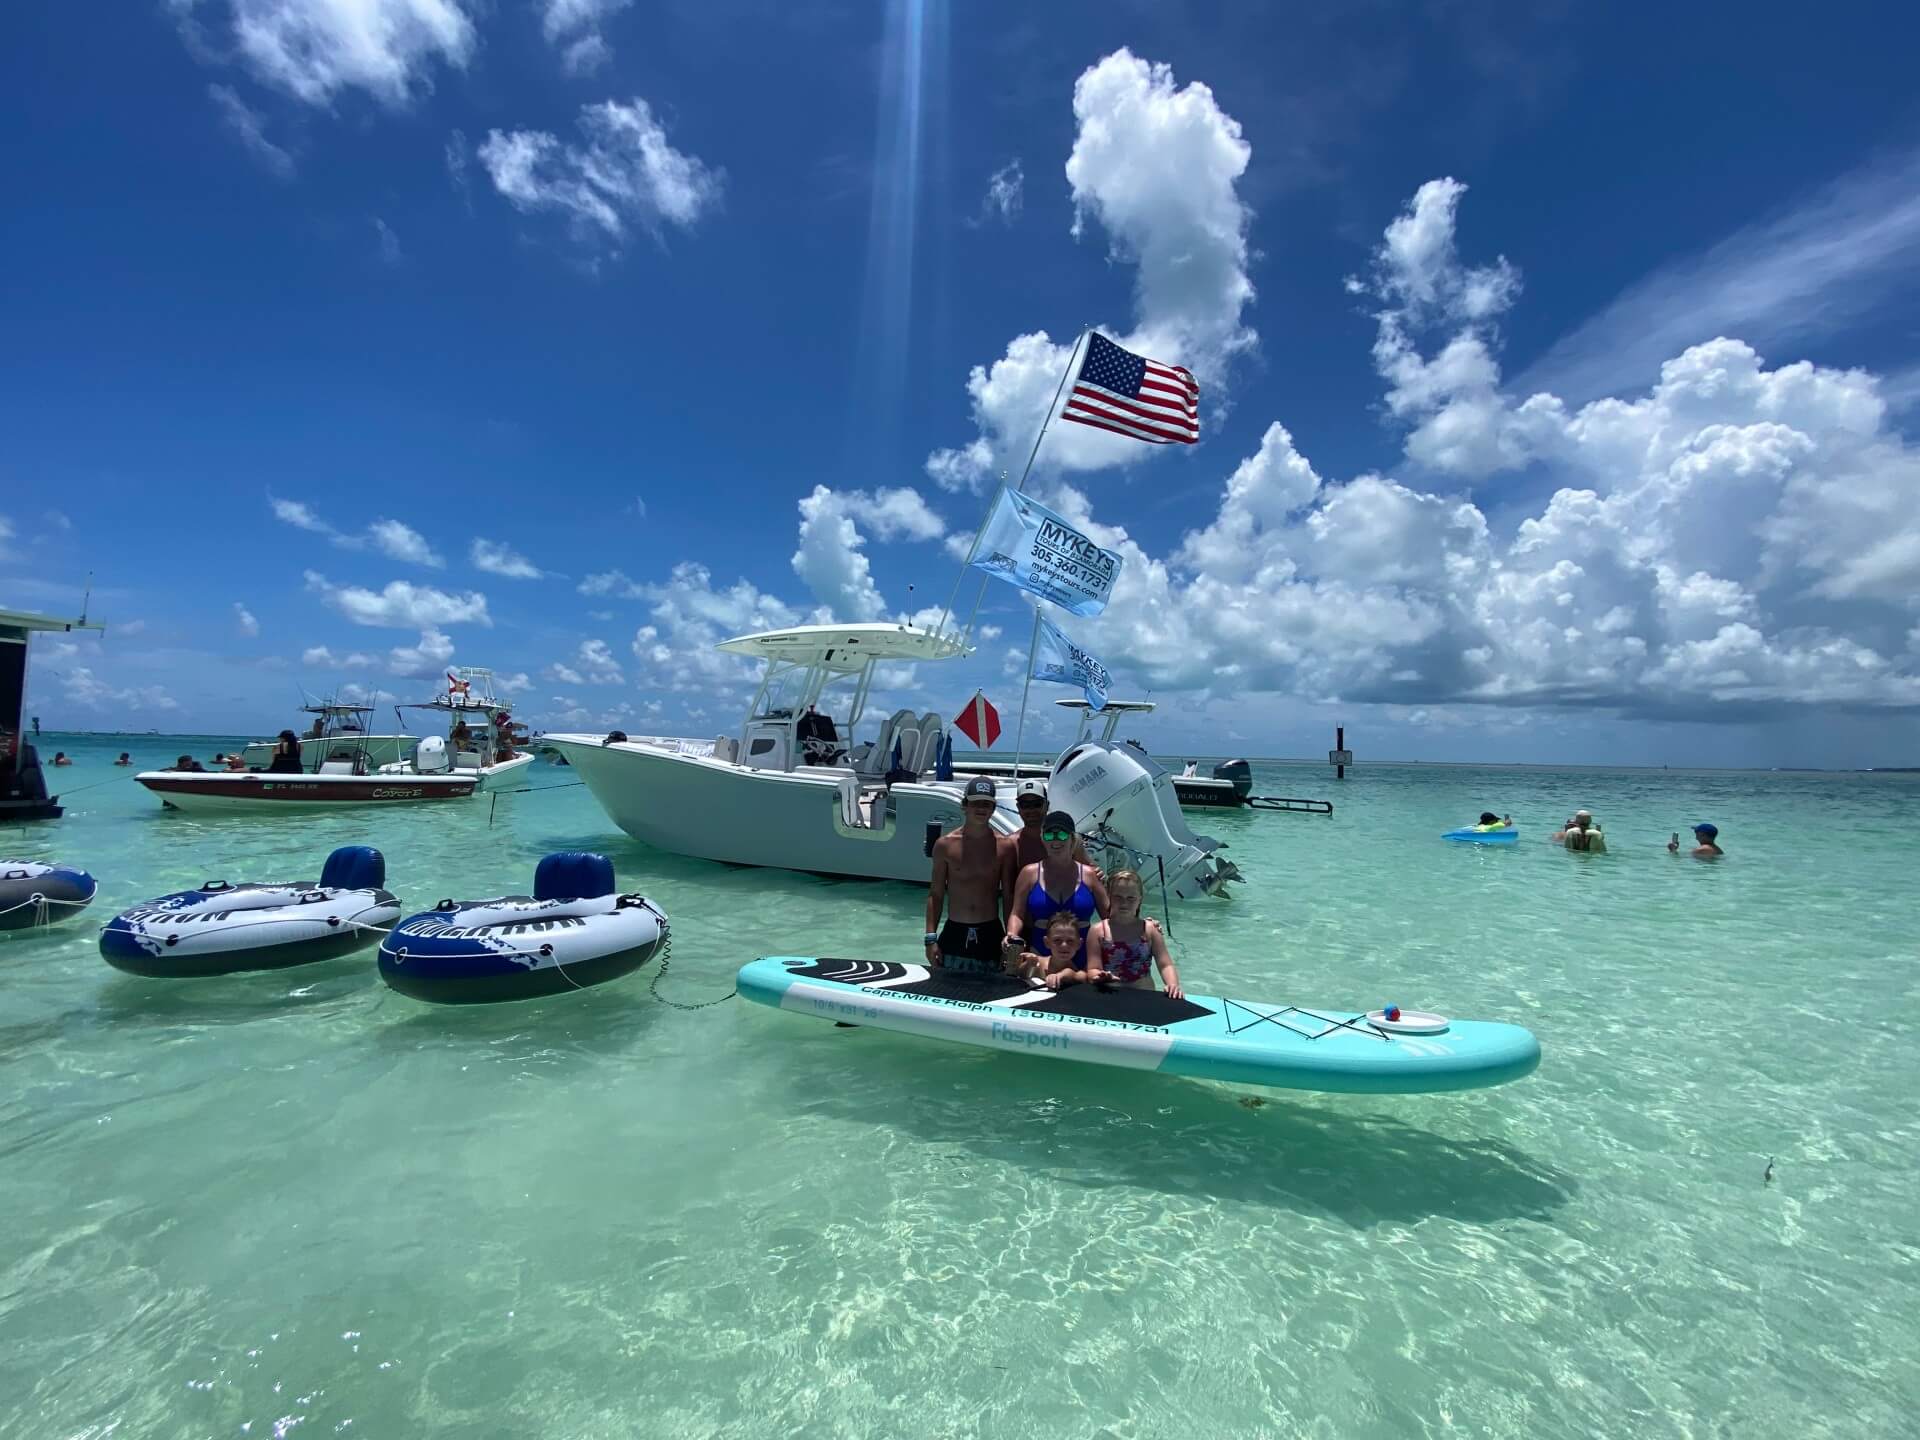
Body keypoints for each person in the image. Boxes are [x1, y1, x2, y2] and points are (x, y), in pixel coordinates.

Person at [1003, 810, 1110, 969]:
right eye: (1049, 835)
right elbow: (1017, 913)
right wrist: (1011, 934)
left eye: (1061, 835)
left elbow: (1109, 917)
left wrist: (1145, 925)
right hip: (1039, 954)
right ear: (1042, 838)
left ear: (1072, 838)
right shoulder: (1029, 873)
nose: (1055, 840)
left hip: (1084, 956)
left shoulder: (1090, 875)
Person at [924, 776, 1008, 974]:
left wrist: (1011, 936)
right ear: (964, 805)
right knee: (948, 994)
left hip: (991, 933)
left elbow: (1009, 896)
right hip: (955, 932)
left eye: (986, 803)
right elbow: (935, 894)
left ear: (994, 808)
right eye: (975, 802)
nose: (981, 808)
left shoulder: (1005, 846)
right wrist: (930, 938)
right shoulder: (945, 845)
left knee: (993, 995)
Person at [1087, 868, 1184, 998]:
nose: (1124, 903)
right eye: (1118, 897)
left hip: (1144, 994)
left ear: (1140, 899)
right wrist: (1099, 976)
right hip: (1110, 995)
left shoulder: (1150, 930)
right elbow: (1093, 968)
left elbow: (1165, 964)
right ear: (1109, 896)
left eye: (1130, 898)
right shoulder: (1097, 931)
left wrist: (1173, 985)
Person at [1000, 778, 1088, 899]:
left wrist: (1098, 873)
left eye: (1037, 804)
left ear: (1047, 805)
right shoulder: (1011, 844)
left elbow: (1091, 873)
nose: (1031, 810)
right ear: (1018, 807)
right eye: (1025, 805)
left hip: (1067, 914)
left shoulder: (1072, 840)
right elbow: (1008, 893)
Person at [1015, 910, 1101, 989]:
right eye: (1057, 940)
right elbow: (1019, 974)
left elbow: (1076, 976)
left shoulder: (1077, 972)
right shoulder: (1039, 962)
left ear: (1079, 944)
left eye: (1070, 941)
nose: (1064, 945)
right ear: (1047, 942)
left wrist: (1061, 975)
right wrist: (1029, 964)